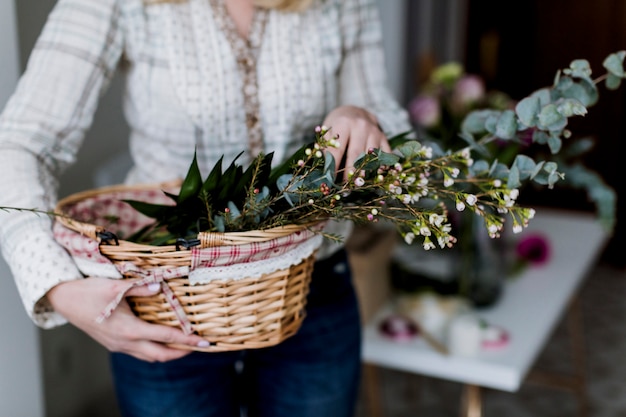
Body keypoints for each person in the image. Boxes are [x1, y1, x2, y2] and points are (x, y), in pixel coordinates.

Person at [0, 0, 410, 415]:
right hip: (164, 299)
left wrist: (360, 118)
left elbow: (388, 128)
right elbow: (20, 143)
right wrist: (56, 286)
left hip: (309, 286)